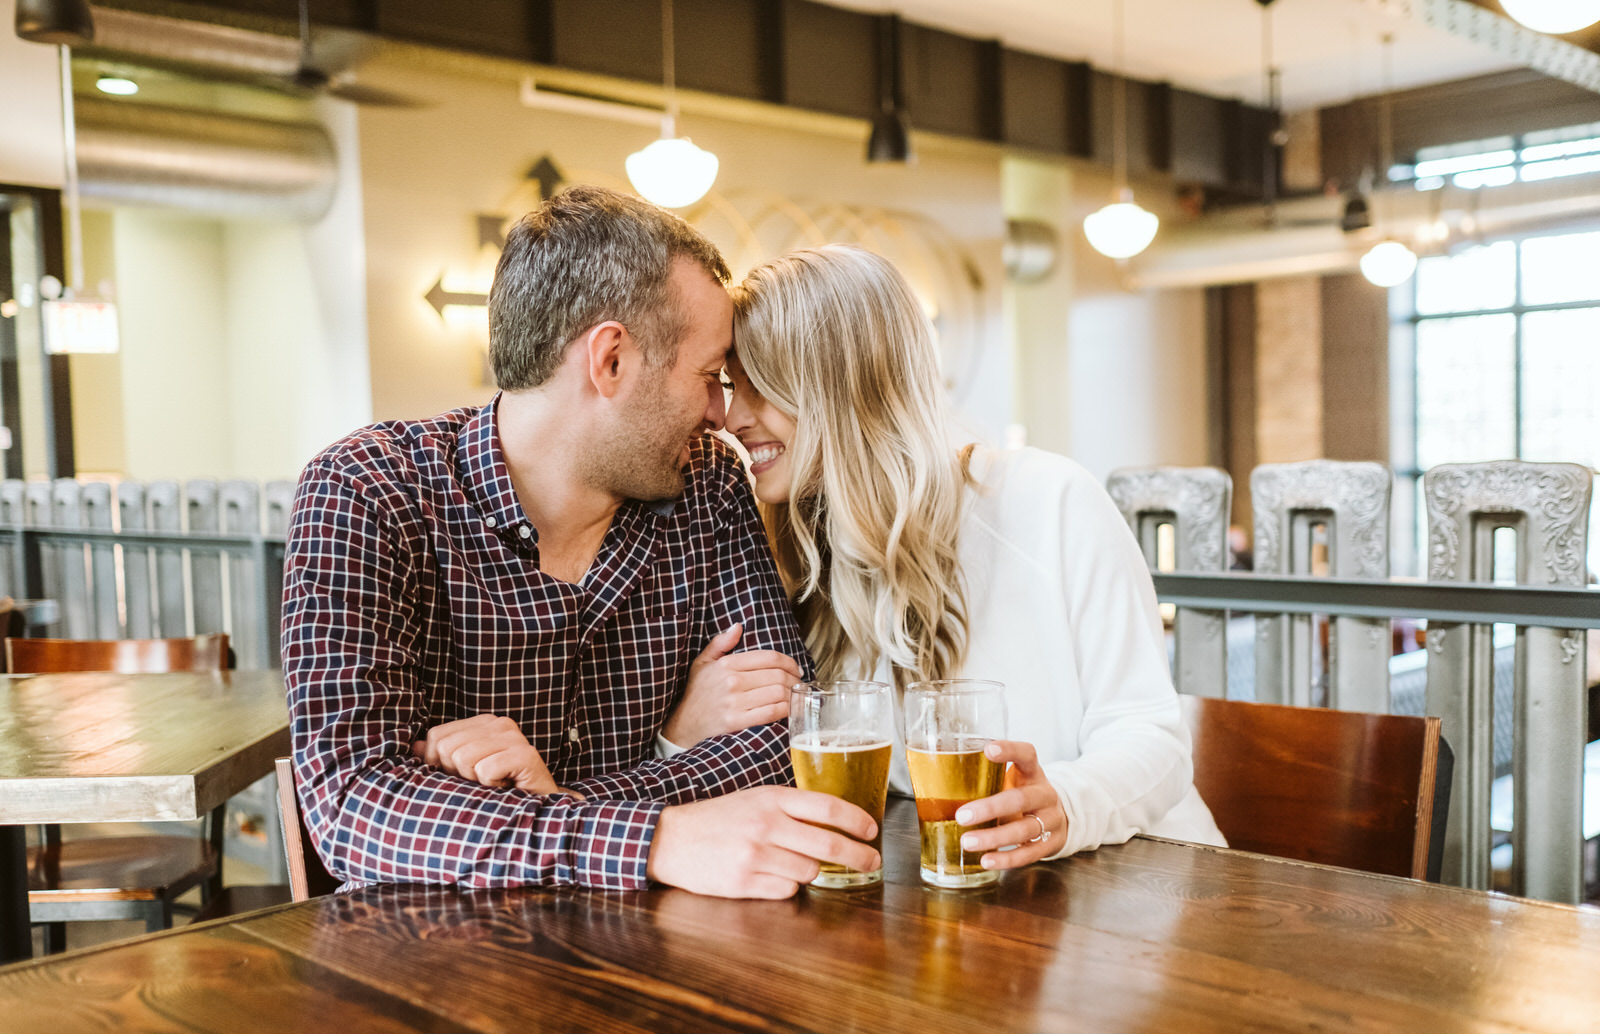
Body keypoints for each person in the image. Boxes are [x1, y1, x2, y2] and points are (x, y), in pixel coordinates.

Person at [281, 187, 880, 900]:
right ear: (612, 360)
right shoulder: (368, 490)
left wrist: (555, 799)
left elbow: (781, 744)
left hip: (673, 955)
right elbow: (354, 803)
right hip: (455, 970)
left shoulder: (709, 485)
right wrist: (658, 835)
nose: (724, 414)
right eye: (709, 376)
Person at [672, 243, 1225, 873]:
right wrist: (682, 733)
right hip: (968, 909)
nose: (731, 418)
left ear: (844, 384)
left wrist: (1064, 802)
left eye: (759, 388)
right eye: (728, 385)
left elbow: (1154, 739)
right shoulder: (795, 551)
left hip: (1148, 886)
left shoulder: (1049, 500)